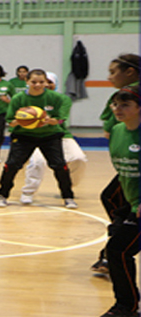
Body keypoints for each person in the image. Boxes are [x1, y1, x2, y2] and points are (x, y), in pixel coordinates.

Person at [0, 69, 76, 209]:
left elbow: (60, 120)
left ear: (46, 82)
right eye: (34, 82)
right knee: (12, 165)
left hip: (50, 136)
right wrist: (19, 121)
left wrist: (51, 120)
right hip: (23, 136)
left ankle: (68, 197)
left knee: (60, 166)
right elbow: (10, 121)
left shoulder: (57, 98)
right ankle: (2, 195)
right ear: (27, 82)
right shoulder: (18, 99)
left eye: (41, 82)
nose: (37, 85)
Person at [91, 54, 140, 274]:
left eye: (113, 71)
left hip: (134, 165)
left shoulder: (134, 94)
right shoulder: (120, 99)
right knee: (114, 200)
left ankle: (117, 244)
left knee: (116, 202)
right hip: (126, 162)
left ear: (129, 72)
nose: (109, 77)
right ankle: (117, 242)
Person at [99, 85, 141, 317]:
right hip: (132, 201)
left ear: (139, 108)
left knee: (118, 250)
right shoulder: (117, 131)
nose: (118, 109)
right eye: (116, 104)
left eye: (125, 105)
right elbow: (124, 173)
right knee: (118, 250)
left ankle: (127, 307)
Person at [20, 72, 87, 204]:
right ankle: (28, 192)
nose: (47, 85)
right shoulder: (28, 98)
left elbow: (61, 119)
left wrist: (51, 120)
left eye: (50, 82)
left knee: (79, 158)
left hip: (60, 134)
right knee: (37, 162)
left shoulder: (61, 99)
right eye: (46, 82)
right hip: (36, 135)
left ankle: (67, 187)